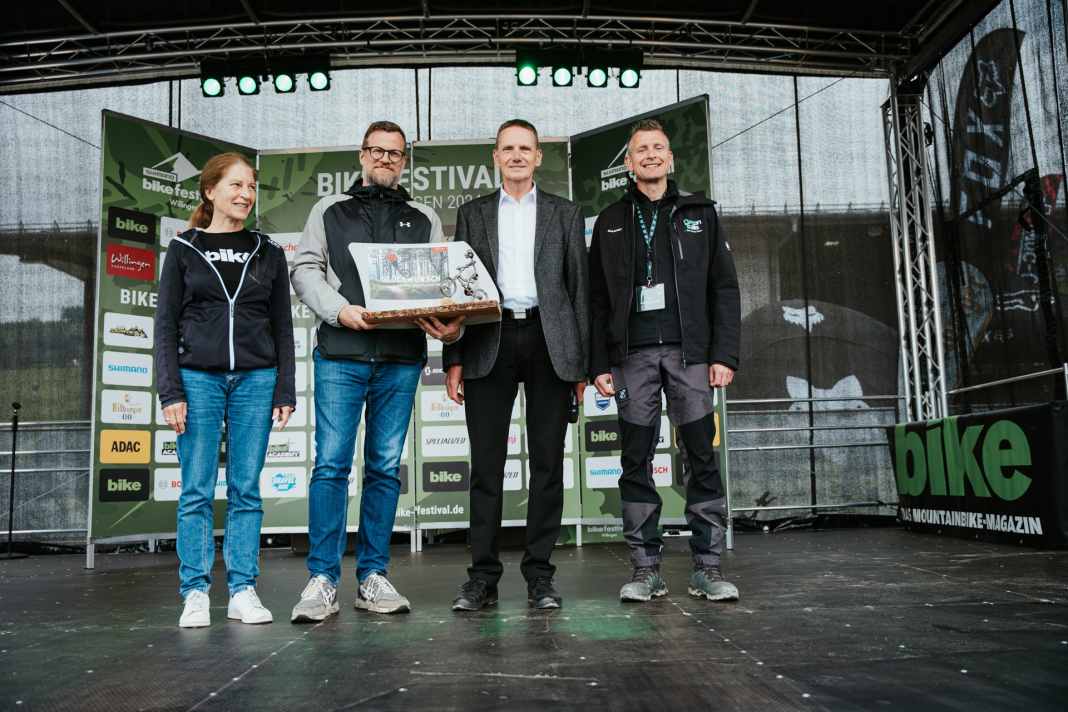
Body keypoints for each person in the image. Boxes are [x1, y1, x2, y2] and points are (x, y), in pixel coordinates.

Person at [289, 121, 463, 621]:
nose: (385, 160)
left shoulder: (422, 216)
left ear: (404, 160)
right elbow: (304, 269)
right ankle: (321, 578)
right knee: (331, 466)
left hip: (401, 359)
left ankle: (372, 577)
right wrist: (339, 310)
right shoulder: (329, 210)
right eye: (377, 151)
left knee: (385, 468)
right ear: (362, 156)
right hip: (342, 352)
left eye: (395, 153)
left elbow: (440, 285)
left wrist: (448, 326)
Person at [588, 119, 741, 603]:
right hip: (631, 358)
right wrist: (598, 364)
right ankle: (645, 568)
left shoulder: (702, 213)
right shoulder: (610, 220)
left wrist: (724, 354)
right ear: (628, 164)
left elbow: (724, 288)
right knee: (636, 461)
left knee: (701, 456)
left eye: (658, 148)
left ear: (670, 159)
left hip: (691, 355)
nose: (650, 156)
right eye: (641, 150)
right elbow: (594, 301)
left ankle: (708, 567)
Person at [444, 119, 589, 611]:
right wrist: (454, 357)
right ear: (496, 157)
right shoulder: (473, 213)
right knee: (486, 467)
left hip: (552, 344)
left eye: (525, 147)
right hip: (490, 340)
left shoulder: (566, 213)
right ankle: (482, 578)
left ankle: (540, 576)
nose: (517, 155)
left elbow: (579, 292)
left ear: (539, 156)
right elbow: (457, 292)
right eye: (508, 148)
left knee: (547, 466)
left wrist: (581, 366)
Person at [155, 152, 296, 628]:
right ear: (210, 190)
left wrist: (285, 390)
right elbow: (164, 326)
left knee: (245, 490)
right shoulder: (183, 249)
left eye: (252, 187)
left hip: (257, 379)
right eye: (236, 185)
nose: (245, 194)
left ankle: (242, 590)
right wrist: (170, 391)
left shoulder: (268, 250)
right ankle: (195, 592)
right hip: (197, 379)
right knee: (195, 490)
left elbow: (282, 326)